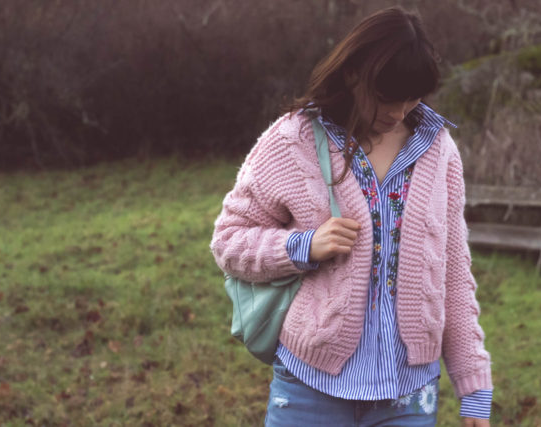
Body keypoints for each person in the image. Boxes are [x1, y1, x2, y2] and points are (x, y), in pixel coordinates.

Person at [210, 6, 493, 427]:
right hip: (310, 387)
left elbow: (453, 271)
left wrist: (474, 386)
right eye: (386, 97)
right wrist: (303, 246)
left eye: (412, 98)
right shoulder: (295, 140)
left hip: (409, 394)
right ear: (351, 74)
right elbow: (228, 241)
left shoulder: (438, 151)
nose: (399, 112)